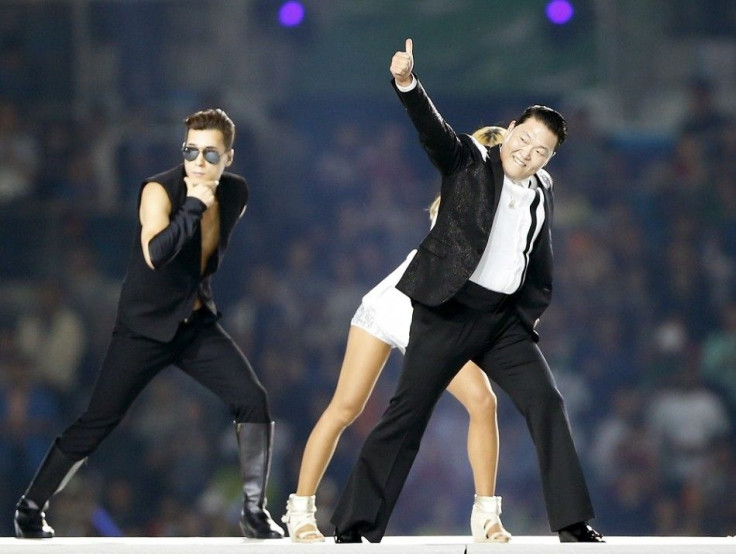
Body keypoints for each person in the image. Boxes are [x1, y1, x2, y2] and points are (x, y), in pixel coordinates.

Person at [330, 39, 604, 544]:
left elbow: (537, 260)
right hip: (447, 311)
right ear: (512, 130)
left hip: (502, 323)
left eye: (540, 152)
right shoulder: (470, 162)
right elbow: (433, 132)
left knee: (547, 402)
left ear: (549, 159)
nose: (526, 154)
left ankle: (572, 522)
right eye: (523, 140)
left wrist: (527, 317)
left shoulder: (541, 189)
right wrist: (408, 84)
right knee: (406, 415)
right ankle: (356, 526)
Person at [13, 108, 285, 540]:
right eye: (190, 151)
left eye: (210, 153)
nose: (198, 161)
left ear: (228, 158)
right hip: (145, 326)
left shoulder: (236, 194)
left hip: (195, 322)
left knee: (252, 399)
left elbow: (204, 258)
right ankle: (30, 507)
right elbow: (156, 254)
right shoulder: (160, 190)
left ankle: (254, 512)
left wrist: (206, 210)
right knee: (97, 421)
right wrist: (193, 206)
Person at [282, 127, 511, 544]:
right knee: (345, 407)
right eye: (495, 157)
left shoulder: (515, 213)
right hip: (394, 304)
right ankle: (299, 511)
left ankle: (486, 515)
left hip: (436, 318)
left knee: (482, 400)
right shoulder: (462, 197)